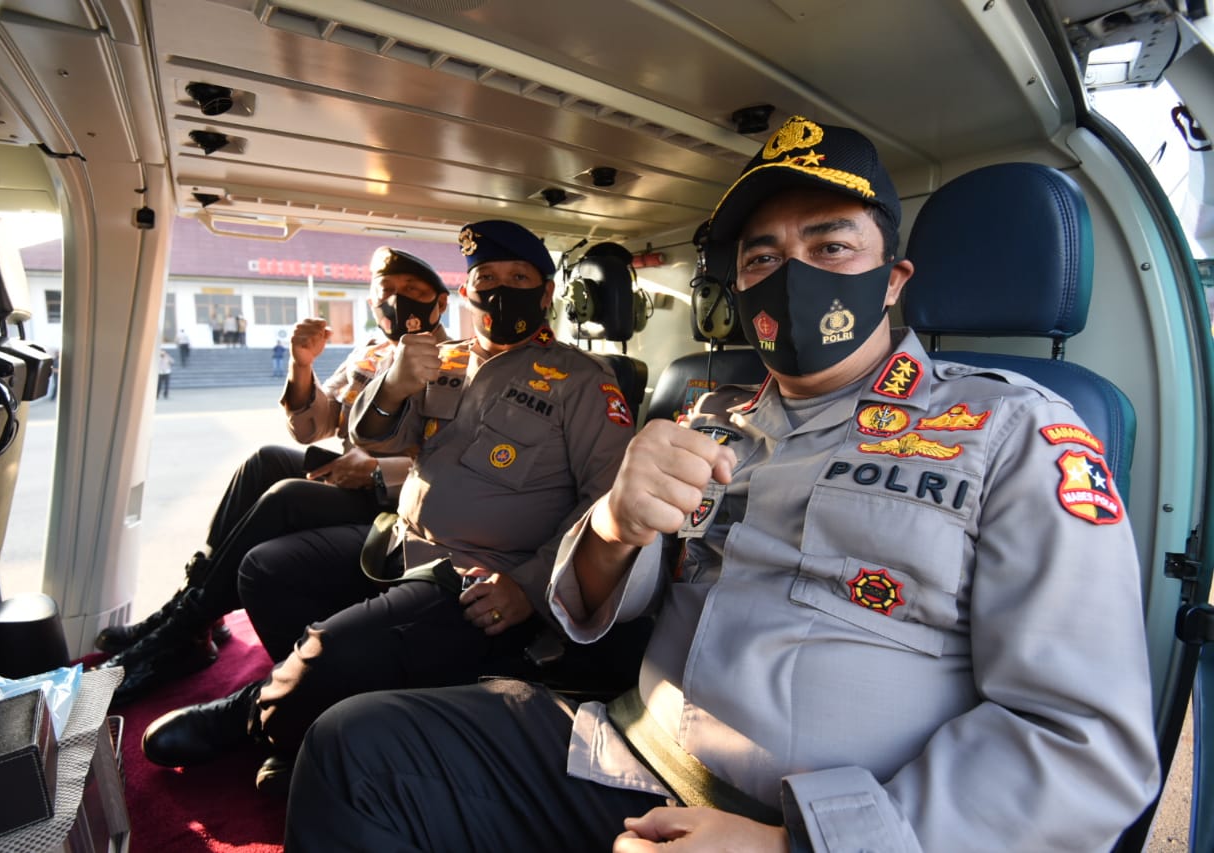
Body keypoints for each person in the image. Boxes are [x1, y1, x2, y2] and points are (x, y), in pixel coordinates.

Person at [284, 116, 1162, 852]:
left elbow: (1084, 745)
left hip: (817, 828)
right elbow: (592, 609)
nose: (793, 274)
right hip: (628, 752)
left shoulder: (1016, 431)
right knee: (355, 748)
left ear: (893, 280)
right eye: (762, 257)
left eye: (830, 244)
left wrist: (793, 845)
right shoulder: (707, 418)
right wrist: (612, 525)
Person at [138, 220, 642, 796]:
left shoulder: (584, 381)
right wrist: (395, 385)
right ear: (468, 291)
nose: (501, 290)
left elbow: (607, 502)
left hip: (478, 574)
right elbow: (374, 438)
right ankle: (315, 716)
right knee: (265, 569)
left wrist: (528, 586)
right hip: (401, 540)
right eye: (486, 278)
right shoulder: (443, 359)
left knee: (331, 646)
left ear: (547, 292)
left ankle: (257, 713)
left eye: (519, 278)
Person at [97, 247, 452, 704]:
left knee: (287, 495)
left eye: (413, 290)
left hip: (400, 499)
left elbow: (457, 456)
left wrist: (379, 470)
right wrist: (301, 364)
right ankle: (194, 607)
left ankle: (185, 626)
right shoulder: (372, 352)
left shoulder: (456, 361)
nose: (398, 300)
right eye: (387, 291)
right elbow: (313, 428)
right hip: (351, 476)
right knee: (265, 460)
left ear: (440, 303)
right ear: (371, 302)